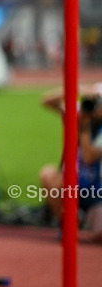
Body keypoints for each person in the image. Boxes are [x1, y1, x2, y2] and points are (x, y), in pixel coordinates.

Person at [39, 83, 102, 242]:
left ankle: (84, 223)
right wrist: (78, 89)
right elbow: (47, 101)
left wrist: (85, 126)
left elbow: (89, 156)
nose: (95, 107)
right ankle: (69, 222)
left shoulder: (86, 122)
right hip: (74, 182)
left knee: (97, 236)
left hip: (98, 189)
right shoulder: (78, 114)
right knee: (48, 174)